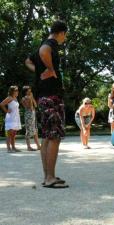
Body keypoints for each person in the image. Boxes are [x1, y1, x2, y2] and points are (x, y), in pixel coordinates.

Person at [25, 20, 69, 188]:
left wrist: (39, 71)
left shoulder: (41, 45)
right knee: (54, 137)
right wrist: (50, 69)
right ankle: (50, 178)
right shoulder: (49, 44)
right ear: (61, 32)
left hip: (43, 97)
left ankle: (47, 176)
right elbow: (44, 51)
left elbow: (27, 61)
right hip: (52, 97)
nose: (64, 38)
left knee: (47, 137)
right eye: (65, 35)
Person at [0, 86, 22, 153]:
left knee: (14, 134)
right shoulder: (9, 98)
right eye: (16, 90)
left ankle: (13, 147)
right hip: (11, 117)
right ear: (12, 91)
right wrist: (6, 111)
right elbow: (1, 104)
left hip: (16, 117)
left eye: (17, 90)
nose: (17, 92)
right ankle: (8, 149)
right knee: (10, 133)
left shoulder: (15, 98)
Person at [21, 86, 41, 151]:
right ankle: (28, 147)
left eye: (30, 90)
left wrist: (32, 98)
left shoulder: (30, 97)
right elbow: (29, 107)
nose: (30, 92)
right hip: (28, 115)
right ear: (25, 92)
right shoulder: (24, 98)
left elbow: (35, 105)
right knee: (28, 130)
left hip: (33, 114)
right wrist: (30, 98)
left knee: (35, 130)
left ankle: (38, 146)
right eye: (28, 91)